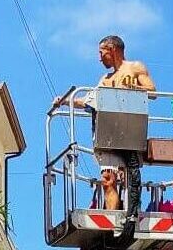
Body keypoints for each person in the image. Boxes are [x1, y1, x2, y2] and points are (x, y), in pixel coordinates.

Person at [53, 35, 156, 210]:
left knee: (128, 178)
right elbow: (88, 100)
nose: (99, 58)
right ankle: (113, 219)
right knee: (108, 179)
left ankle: (130, 215)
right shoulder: (105, 80)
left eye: (101, 53)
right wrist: (65, 101)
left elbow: (152, 91)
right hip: (107, 134)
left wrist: (132, 88)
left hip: (130, 132)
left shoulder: (135, 67)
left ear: (112, 49)